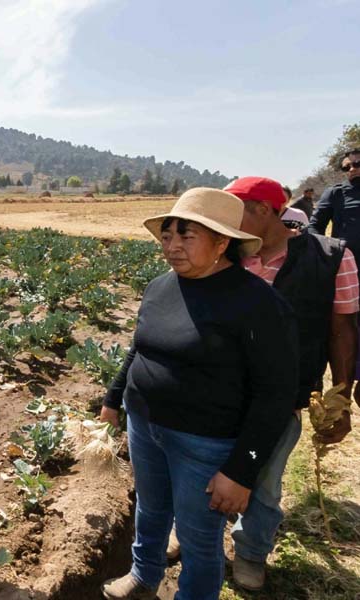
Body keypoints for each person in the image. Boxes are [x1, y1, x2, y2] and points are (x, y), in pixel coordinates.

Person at [100, 188, 298, 600]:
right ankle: (144, 575)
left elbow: (274, 395)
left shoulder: (257, 303)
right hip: (145, 426)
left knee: (197, 538)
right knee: (150, 511)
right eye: (167, 236)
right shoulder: (160, 287)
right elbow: (140, 347)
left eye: (186, 236)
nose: (171, 246)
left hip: (204, 443)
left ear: (222, 242)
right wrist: (114, 398)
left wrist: (241, 470)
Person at [222, 176, 358, 590]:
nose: (223, 223)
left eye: (234, 211)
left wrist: (340, 396)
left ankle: (250, 551)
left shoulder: (331, 257)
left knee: (263, 477)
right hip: (217, 388)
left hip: (283, 395)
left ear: (264, 210)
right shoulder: (224, 251)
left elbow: (342, 329)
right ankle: (197, 536)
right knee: (204, 465)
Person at [309, 148, 360, 405]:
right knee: (344, 333)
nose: (351, 169)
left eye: (357, 164)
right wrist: (324, 258)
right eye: (346, 167)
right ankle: (340, 400)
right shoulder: (337, 194)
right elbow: (315, 227)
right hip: (347, 279)